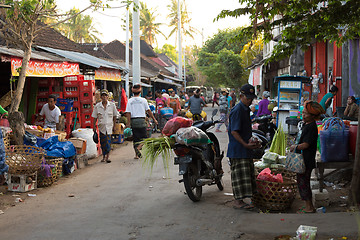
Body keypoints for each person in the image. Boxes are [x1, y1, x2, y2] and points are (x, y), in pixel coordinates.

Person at [227, 84, 261, 210]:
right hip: (237, 149)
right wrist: (245, 144)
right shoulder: (238, 110)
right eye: (248, 98)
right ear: (241, 96)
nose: (250, 100)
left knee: (246, 175)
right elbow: (234, 132)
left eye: (251, 98)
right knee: (239, 176)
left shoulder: (246, 109)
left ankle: (244, 200)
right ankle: (238, 202)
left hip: (245, 149)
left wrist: (252, 140)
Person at [290, 100, 325, 213]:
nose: (303, 115)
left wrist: (295, 147)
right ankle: (308, 206)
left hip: (306, 160)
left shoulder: (312, 127)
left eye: (306, 113)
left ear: (313, 116)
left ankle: (309, 207)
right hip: (302, 159)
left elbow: (306, 144)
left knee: (304, 183)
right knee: (302, 182)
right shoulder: (306, 124)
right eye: (303, 113)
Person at [125, 84, 158, 159]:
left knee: (135, 138)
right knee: (144, 138)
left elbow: (128, 113)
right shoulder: (143, 100)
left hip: (134, 122)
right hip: (142, 121)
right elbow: (148, 111)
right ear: (140, 92)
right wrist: (154, 119)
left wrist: (128, 123)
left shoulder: (130, 101)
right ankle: (139, 147)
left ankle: (136, 155)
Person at [92, 89, 119, 163]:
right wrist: (94, 127)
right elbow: (94, 117)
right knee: (103, 142)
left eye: (105, 95)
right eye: (103, 95)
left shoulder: (112, 105)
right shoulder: (97, 106)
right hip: (101, 127)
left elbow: (114, 116)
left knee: (108, 142)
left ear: (107, 96)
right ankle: (104, 156)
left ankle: (107, 157)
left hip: (109, 127)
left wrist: (114, 125)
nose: (104, 97)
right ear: (101, 97)